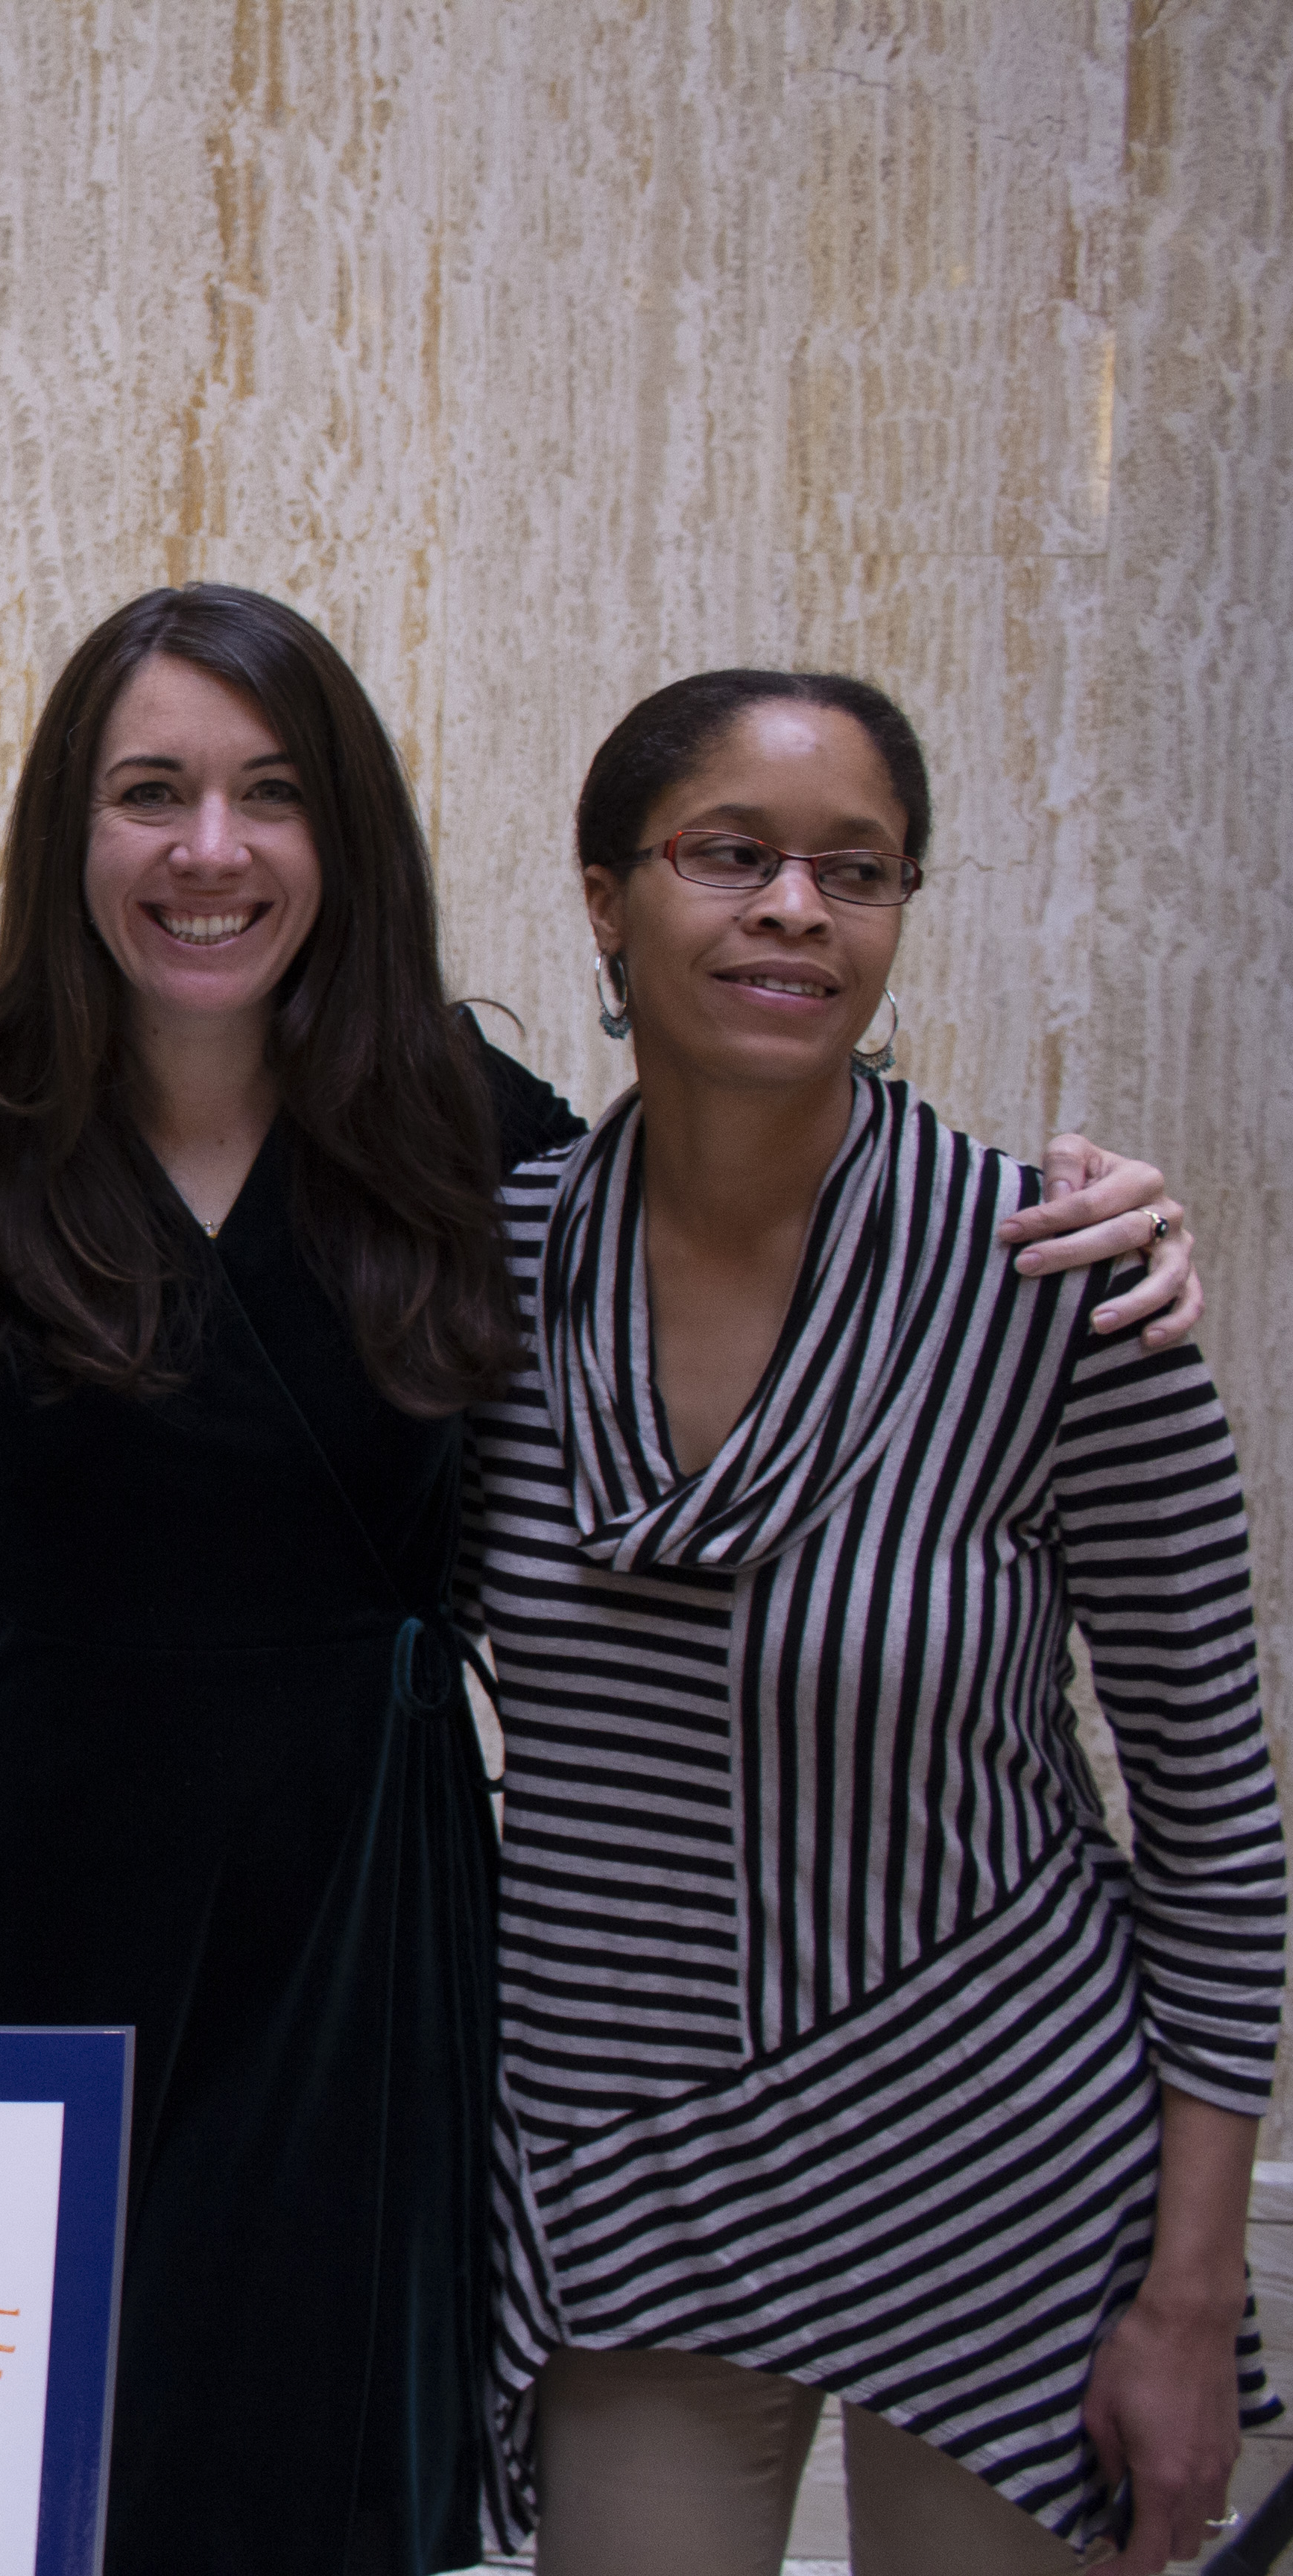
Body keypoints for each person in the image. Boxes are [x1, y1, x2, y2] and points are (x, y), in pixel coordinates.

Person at [0, 587, 1207, 2576]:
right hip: (42, 1916)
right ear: (66, 837)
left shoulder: (460, 1148)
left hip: (373, 1938)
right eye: (147, 793)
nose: (211, 849)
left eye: (270, 793)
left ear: (349, 838)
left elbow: (1195, 1791)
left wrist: (1113, 1223)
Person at [470, 670, 1282, 2576]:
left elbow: (1215, 1826)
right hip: (631, 2166)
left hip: (1006, 2172)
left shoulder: (1062, 1292)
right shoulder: (483, 1273)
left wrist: (1188, 2298)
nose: (795, 912)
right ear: (607, 898)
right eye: (729, 856)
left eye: (860, 871)